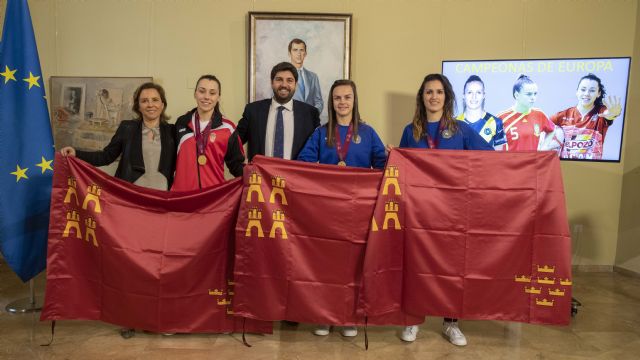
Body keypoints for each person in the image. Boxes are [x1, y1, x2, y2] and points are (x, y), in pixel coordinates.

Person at [393, 74, 493, 346]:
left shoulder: (461, 131)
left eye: (439, 92)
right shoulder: (410, 131)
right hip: (419, 212)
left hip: (453, 213)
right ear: (422, 97)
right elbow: (400, 169)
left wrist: (532, 162)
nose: (434, 97)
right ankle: (413, 320)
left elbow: (490, 159)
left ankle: (451, 322)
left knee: (452, 268)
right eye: (428, 92)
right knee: (417, 266)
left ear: (447, 97)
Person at [60, 82, 176, 191]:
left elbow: (186, 163)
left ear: (162, 105)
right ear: (138, 106)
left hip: (163, 199)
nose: (150, 105)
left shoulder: (173, 131)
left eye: (155, 100)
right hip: (129, 196)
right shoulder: (127, 128)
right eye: (144, 101)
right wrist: (76, 153)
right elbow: (106, 156)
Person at [229, 62, 320, 170]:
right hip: (260, 183)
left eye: (289, 80)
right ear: (272, 82)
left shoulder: (310, 114)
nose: (284, 85)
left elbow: (319, 150)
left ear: (296, 84)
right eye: (279, 79)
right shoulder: (253, 111)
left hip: (296, 183)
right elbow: (233, 145)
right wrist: (241, 171)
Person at [171, 75, 244, 191]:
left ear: (218, 97)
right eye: (202, 91)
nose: (206, 97)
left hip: (213, 198)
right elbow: (171, 161)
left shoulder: (228, 128)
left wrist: (258, 178)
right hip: (182, 196)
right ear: (195, 93)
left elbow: (237, 166)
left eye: (212, 93)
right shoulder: (181, 123)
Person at [297, 79, 386, 169]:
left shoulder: (368, 132)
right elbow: (303, 165)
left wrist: (391, 154)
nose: (342, 102)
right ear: (332, 102)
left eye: (347, 97)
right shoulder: (321, 132)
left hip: (359, 183)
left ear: (354, 100)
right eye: (337, 98)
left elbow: (383, 166)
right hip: (329, 183)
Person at [550, 73, 622, 160]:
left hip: (592, 169)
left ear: (598, 93)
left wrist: (614, 113)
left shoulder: (601, 113)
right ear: (577, 92)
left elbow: (609, 114)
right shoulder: (561, 116)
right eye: (583, 89)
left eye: (592, 90)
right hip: (566, 167)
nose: (587, 94)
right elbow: (541, 130)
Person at [496, 75, 557, 151]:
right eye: (528, 94)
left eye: (535, 94)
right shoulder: (501, 118)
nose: (533, 98)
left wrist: (544, 148)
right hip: (510, 162)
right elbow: (494, 145)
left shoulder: (539, 114)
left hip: (532, 162)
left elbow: (552, 130)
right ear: (516, 95)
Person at [455, 75, 506, 150]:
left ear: (483, 95)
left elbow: (499, 157)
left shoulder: (496, 123)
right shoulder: (453, 123)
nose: (474, 97)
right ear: (463, 95)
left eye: (478, 92)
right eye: (469, 92)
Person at [289, 38, 323, 113]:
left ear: (305, 53)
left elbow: (319, 101)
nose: (299, 53)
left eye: (301, 50)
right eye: (295, 50)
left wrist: (312, 115)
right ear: (289, 53)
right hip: (289, 122)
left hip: (310, 122)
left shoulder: (313, 77)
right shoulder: (283, 77)